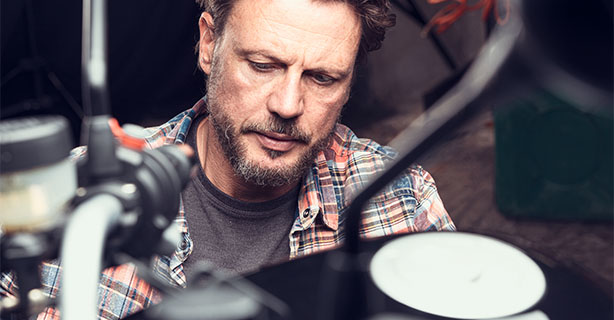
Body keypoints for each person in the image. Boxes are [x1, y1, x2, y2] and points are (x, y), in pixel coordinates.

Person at [0, 0, 455, 318]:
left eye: (322, 77)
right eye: (262, 64)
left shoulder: (401, 198)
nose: (288, 104)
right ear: (208, 43)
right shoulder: (65, 198)